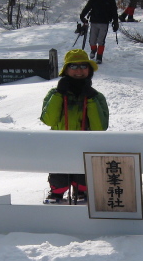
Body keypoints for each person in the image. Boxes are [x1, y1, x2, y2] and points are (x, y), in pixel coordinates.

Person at [40, 49, 109, 203]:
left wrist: (90, 98)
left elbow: (100, 127)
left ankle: (82, 192)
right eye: (74, 66)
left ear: (89, 70)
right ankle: (56, 193)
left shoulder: (97, 97)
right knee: (58, 174)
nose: (79, 70)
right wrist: (59, 93)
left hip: (87, 147)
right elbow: (49, 120)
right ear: (66, 70)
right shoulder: (54, 94)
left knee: (84, 176)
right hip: (60, 147)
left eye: (83, 66)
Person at [80, 0, 119, 64]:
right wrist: (82, 16)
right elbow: (88, 6)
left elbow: (114, 10)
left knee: (101, 40)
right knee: (92, 40)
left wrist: (115, 21)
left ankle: (99, 57)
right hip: (94, 21)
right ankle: (93, 49)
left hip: (104, 22)